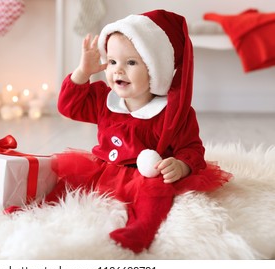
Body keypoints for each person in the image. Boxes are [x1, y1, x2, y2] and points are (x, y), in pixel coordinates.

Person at [45, 9, 232, 254]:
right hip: (103, 168)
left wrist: (182, 165)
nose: (118, 70)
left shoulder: (172, 113)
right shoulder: (105, 99)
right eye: (112, 62)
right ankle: (40, 209)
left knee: (157, 192)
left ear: (155, 70)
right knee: (66, 181)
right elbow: (69, 106)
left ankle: (140, 229)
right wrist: (82, 72)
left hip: (143, 175)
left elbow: (192, 148)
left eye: (130, 62)